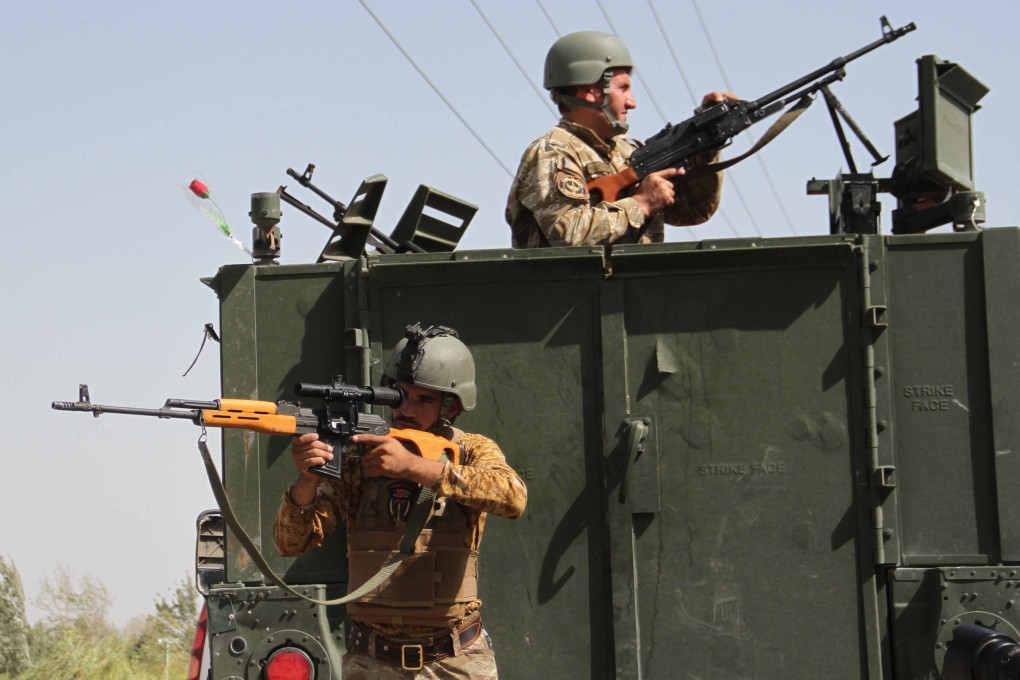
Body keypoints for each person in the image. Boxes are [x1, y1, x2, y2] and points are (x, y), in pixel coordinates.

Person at [274, 323, 527, 679]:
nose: (407, 409)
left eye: (424, 399)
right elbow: (290, 542)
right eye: (400, 395)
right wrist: (308, 479)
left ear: (450, 407)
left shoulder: (471, 449)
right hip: (373, 661)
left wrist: (415, 467)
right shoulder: (358, 458)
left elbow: (512, 496)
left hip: (454, 660)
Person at [506, 30, 731, 248]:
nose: (632, 102)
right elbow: (568, 234)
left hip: (633, 284)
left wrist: (706, 143)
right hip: (578, 286)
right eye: (623, 88)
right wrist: (639, 204)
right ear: (590, 90)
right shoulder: (554, 151)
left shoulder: (626, 151)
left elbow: (692, 210)